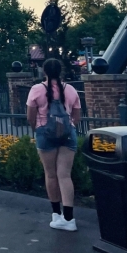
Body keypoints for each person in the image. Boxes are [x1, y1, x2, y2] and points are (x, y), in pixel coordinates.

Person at [27, 58, 82, 231]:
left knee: (50, 175)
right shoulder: (71, 89)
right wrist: (69, 127)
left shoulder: (37, 90)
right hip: (67, 134)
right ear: (61, 71)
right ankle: (69, 218)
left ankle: (56, 214)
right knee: (64, 175)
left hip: (45, 132)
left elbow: (30, 115)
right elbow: (77, 115)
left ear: (44, 71)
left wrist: (36, 128)